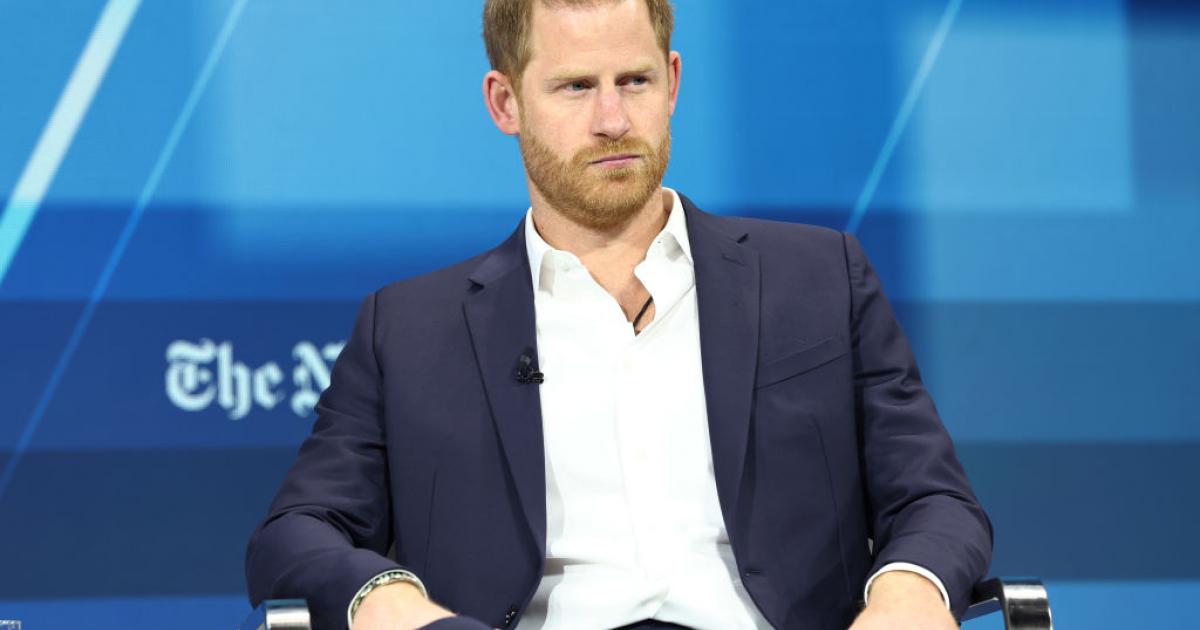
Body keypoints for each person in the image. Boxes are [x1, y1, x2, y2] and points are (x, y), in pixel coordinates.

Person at [245, 1, 992, 628]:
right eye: (575, 87)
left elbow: (935, 499)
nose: (612, 120)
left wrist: (907, 596)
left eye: (634, 81)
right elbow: (295, 534)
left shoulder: (820, 277)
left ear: (673, 83)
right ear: (505, 103)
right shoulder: (408, 329)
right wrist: (392, 604)